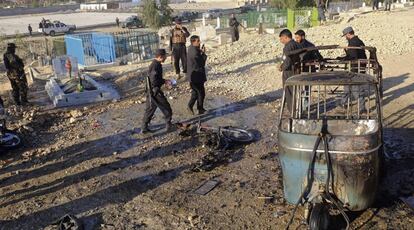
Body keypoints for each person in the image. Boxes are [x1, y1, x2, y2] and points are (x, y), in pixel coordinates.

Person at [141, 49, 173, 133]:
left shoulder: (156, 64)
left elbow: (155, 79)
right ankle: (169, 125)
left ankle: (144, 127)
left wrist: (164, 81)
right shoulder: (155, 66)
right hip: (154, 92)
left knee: (150, 109)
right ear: (160, 57)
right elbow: (154, 80)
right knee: (167, 108)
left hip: (150, 91)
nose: (166, 57)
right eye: (165, 56)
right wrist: (164, 81)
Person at [338, 27, 367, 113]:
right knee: (347, 84)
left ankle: (362, 108)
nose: (345, 37)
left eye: (345, 35)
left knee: (356, 87)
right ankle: (343, 102)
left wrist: (344, 59)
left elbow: (353, 56)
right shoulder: (358, 41)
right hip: (359, 66)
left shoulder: (353, 42)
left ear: (348, 34)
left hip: (356, 67)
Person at [279, 29, 301, 111]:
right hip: (295, 70)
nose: (281, 41)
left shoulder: (288, 47)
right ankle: (296, 108)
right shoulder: (295, 44)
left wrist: (281, 67)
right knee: (294, 91)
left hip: (289, 71)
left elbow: (287, 62)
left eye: (281, 39)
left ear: (285, 37)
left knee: (289, 91)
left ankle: (292, 110)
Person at [187, 35, 208, 115]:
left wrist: (200, 51)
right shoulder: (195, 52)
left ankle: (190, 106)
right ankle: (200, 109)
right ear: (193, 42)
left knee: (195, 92)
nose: (199, 42)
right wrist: (203, 54)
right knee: (201, 93)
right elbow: (201, 63)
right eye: (198, 41)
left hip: (193, 75)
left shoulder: (191, 48)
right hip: (196, 76)